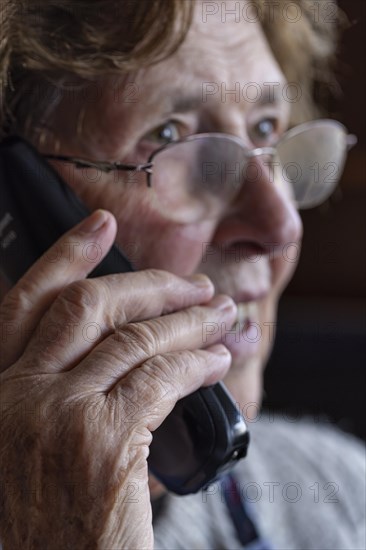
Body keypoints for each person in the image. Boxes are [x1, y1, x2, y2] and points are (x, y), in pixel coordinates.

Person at [0, 0, 364, 548]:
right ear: (16, 214)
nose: (279, 225)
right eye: (170, 137)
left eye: (267, 126)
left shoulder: (337, 494)